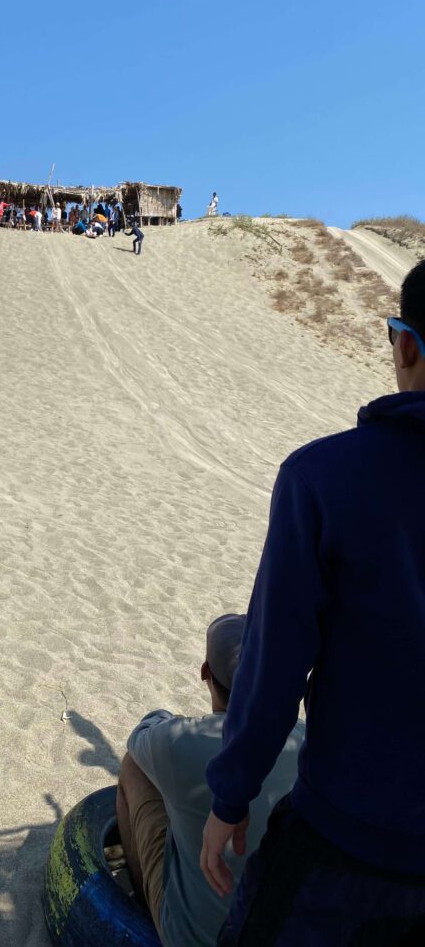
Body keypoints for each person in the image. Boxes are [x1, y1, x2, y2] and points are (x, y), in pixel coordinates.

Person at [200, 261, 425, 945]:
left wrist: (230, 797)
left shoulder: (323, 477)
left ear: (407, 345)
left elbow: (274, 663)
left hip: (346, 840)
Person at [119, 614, 302, 947]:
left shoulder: (179, 742)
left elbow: (140, 735)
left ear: (205, 673)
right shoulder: (303, 739)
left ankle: (144, 905)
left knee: (134, 767)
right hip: (279, 931)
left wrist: (172, 721)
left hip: (193, 938)